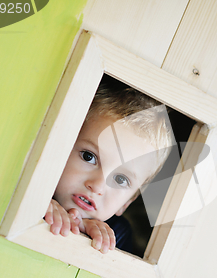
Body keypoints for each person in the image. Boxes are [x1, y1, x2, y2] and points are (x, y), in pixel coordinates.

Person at [44, 79, 173, 254]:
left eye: (120, 179)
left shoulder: (117, 234)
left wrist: (85, 237)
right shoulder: (27, 186)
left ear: (125, 204)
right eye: (89, 157)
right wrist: (36, 206)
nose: (97, 185)